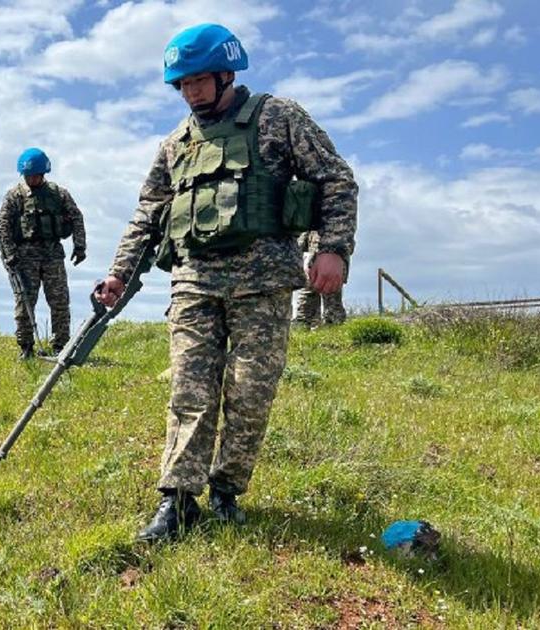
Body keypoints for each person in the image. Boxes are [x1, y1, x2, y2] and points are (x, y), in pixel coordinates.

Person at [95, 23, 358, 541]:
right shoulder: (176, 143)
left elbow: (335, 178)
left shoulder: (277, 117)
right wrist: (118, 272)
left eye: (198, 81)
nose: (190, 93)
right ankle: (177, 501)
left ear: (225, 73)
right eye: (182, 85)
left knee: (249, 394)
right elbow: (149, 211)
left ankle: (226, 491)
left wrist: (332, 248)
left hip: (262, 284)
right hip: (193, 281)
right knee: (189, 389)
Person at [0, 148, 87, 359]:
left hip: (53, 254)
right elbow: (3, 226)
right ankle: (26, 347)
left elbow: (76, 218)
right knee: (25, 301)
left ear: (44, 173)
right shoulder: (14, 196)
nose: (31, 179)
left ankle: (61, 347)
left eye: (35, 175)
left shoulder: (58, 194)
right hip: (24, 257)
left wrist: (80, 246)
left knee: (60, 302)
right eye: (27, 176)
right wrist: (10, 255)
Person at [293, 230, 347, 327]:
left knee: (331, 292)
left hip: (329, 254)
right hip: (311, 254)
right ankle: (305, 324)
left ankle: (333, 325)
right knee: (308, 291)